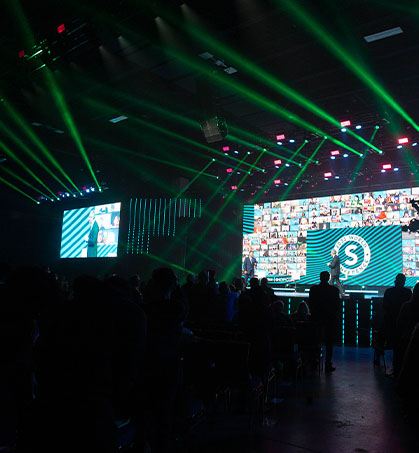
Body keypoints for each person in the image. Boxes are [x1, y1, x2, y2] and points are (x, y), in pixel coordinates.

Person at [309, 271, 340, 373]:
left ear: (320, 277)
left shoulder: (313, 289)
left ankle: (314, 362)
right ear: (328, 278)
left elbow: (311, 304)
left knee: (315, 341)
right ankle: (327, 364)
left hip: (316, 319)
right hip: (329, 319)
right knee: (329, 343)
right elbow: (337, 306)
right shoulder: (334, 290)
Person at [383, 274, 412, 350]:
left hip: (389, 323)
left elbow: (385, 306)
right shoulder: (408, 292)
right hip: (404, 325)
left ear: (395, 281)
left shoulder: (389, 292)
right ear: (404, 282)